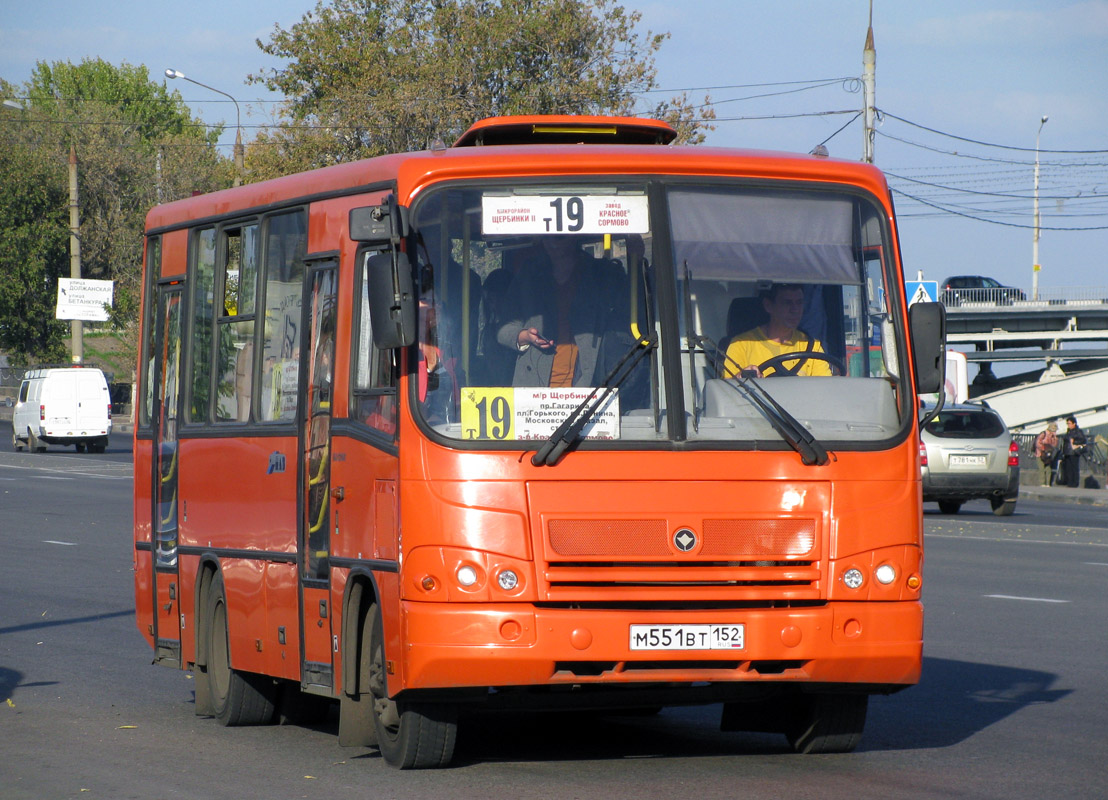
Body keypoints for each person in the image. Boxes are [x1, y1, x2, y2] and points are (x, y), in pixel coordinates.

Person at [496, 236, 622, 388]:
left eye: (559, 237)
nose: (552, 242)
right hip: (533, 390)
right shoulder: (528, 274)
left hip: (590, 388)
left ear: (574, 235)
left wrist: (637, 259)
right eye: (546, 237)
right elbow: (503, 330)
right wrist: (525, 336)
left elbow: (627, 321)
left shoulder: (601, 273)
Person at [721, 284, 831, 378]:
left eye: (799, 303)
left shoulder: (813, 347)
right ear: (768, 306)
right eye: (787, 303)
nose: (795, 310)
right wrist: (741, 377)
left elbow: (824, 389)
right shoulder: (740, 344)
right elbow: (727, 391)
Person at [1060, 415, 1087, 488]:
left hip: (1074, 452)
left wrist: (1074, 442)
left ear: (1074, 423)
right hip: (1067, 452)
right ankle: (1070, 482)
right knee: (1068, 468)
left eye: (1069, 423)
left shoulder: (1078, 431)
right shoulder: (1069, 431)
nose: (1068, 425)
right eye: (1067, 424)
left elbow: (1083, 440)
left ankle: (1075, 483)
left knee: (1074, 467)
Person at [1034, 421, 1059, 486]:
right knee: (1041, 468)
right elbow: (1038, 443)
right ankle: (1042, 483)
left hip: (1048, 455)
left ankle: (1048, 483)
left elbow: (1054, 445)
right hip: (1040, 454)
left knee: (1048, 469)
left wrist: (1055, 439)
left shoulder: (1053, 436)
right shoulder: (1043, 434)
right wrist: (1043, 449)